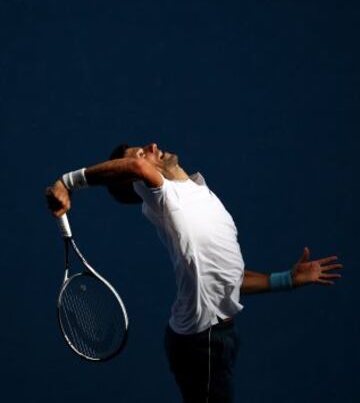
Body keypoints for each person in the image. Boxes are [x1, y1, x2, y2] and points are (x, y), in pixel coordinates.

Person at [46, 142, 343, 403]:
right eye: (139, 153)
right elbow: (136, 168)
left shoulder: (203, 197)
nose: (151, 145)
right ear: (136, 181)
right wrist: (67, 181)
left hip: (219, 337)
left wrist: (287, 279)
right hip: (202, 343)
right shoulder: (166, 200)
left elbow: (231, 280)